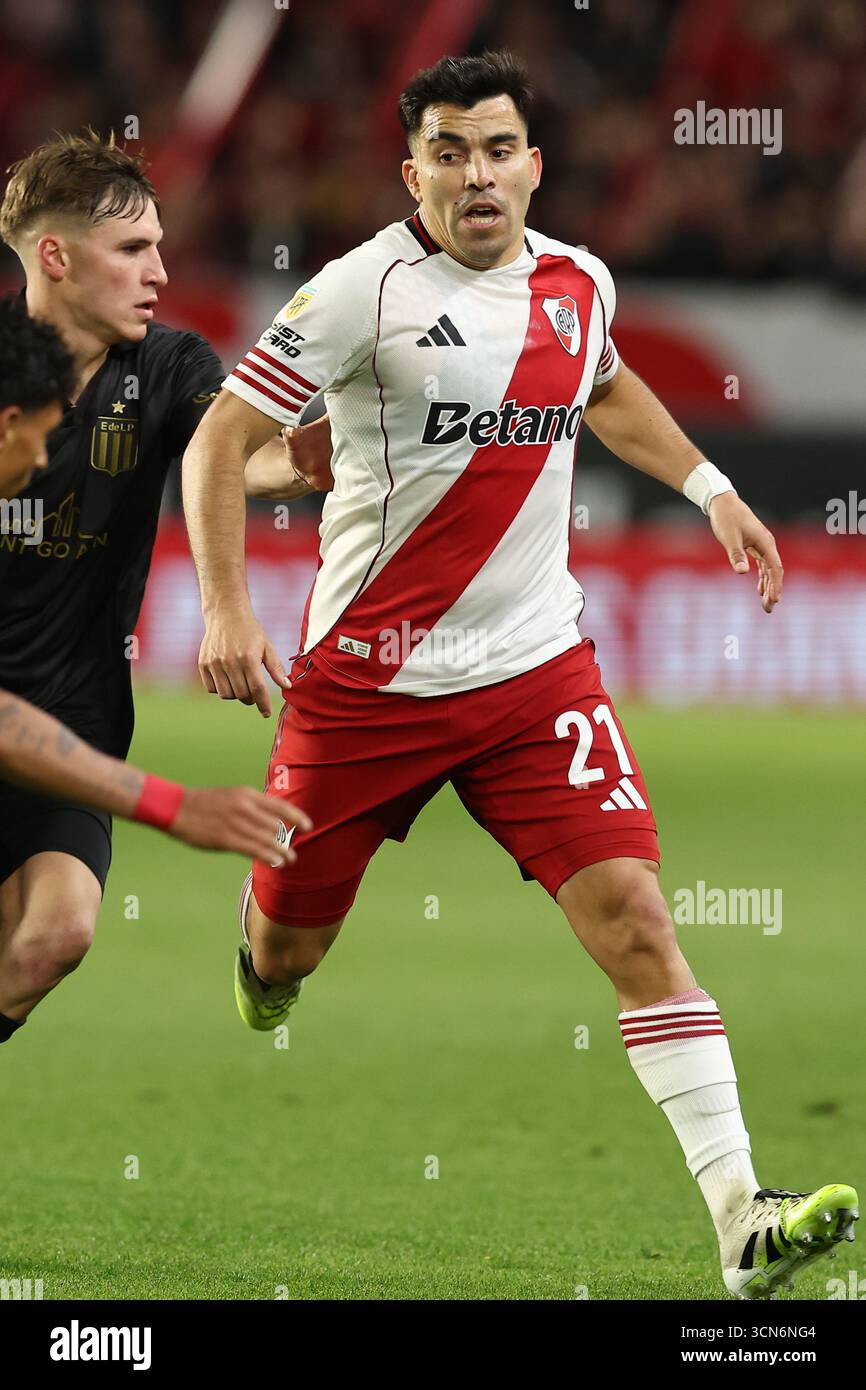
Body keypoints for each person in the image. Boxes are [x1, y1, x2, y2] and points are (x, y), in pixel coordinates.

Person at [182, 52, 857, 1299]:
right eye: (449, 151)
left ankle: (739, 1221)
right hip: (367, 689)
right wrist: (226, 601)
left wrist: (710, 490)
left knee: (640, 927)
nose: (476, 173)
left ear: (533, 164)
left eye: (497, 149)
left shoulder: (577, 280)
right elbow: (223, 443)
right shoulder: (354, 295)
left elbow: (604, 387)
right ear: (412, 172)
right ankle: (261, 958)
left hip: (536, 679)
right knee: (287, 954)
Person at [0, 135, 311, 1044]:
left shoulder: (169, 366)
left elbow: (241, 457)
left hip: (75, 724)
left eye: (161, 248)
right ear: (55, 257)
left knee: (56, 933)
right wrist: (177, 807)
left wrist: (328, 453)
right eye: (133, 250)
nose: (160, 273)